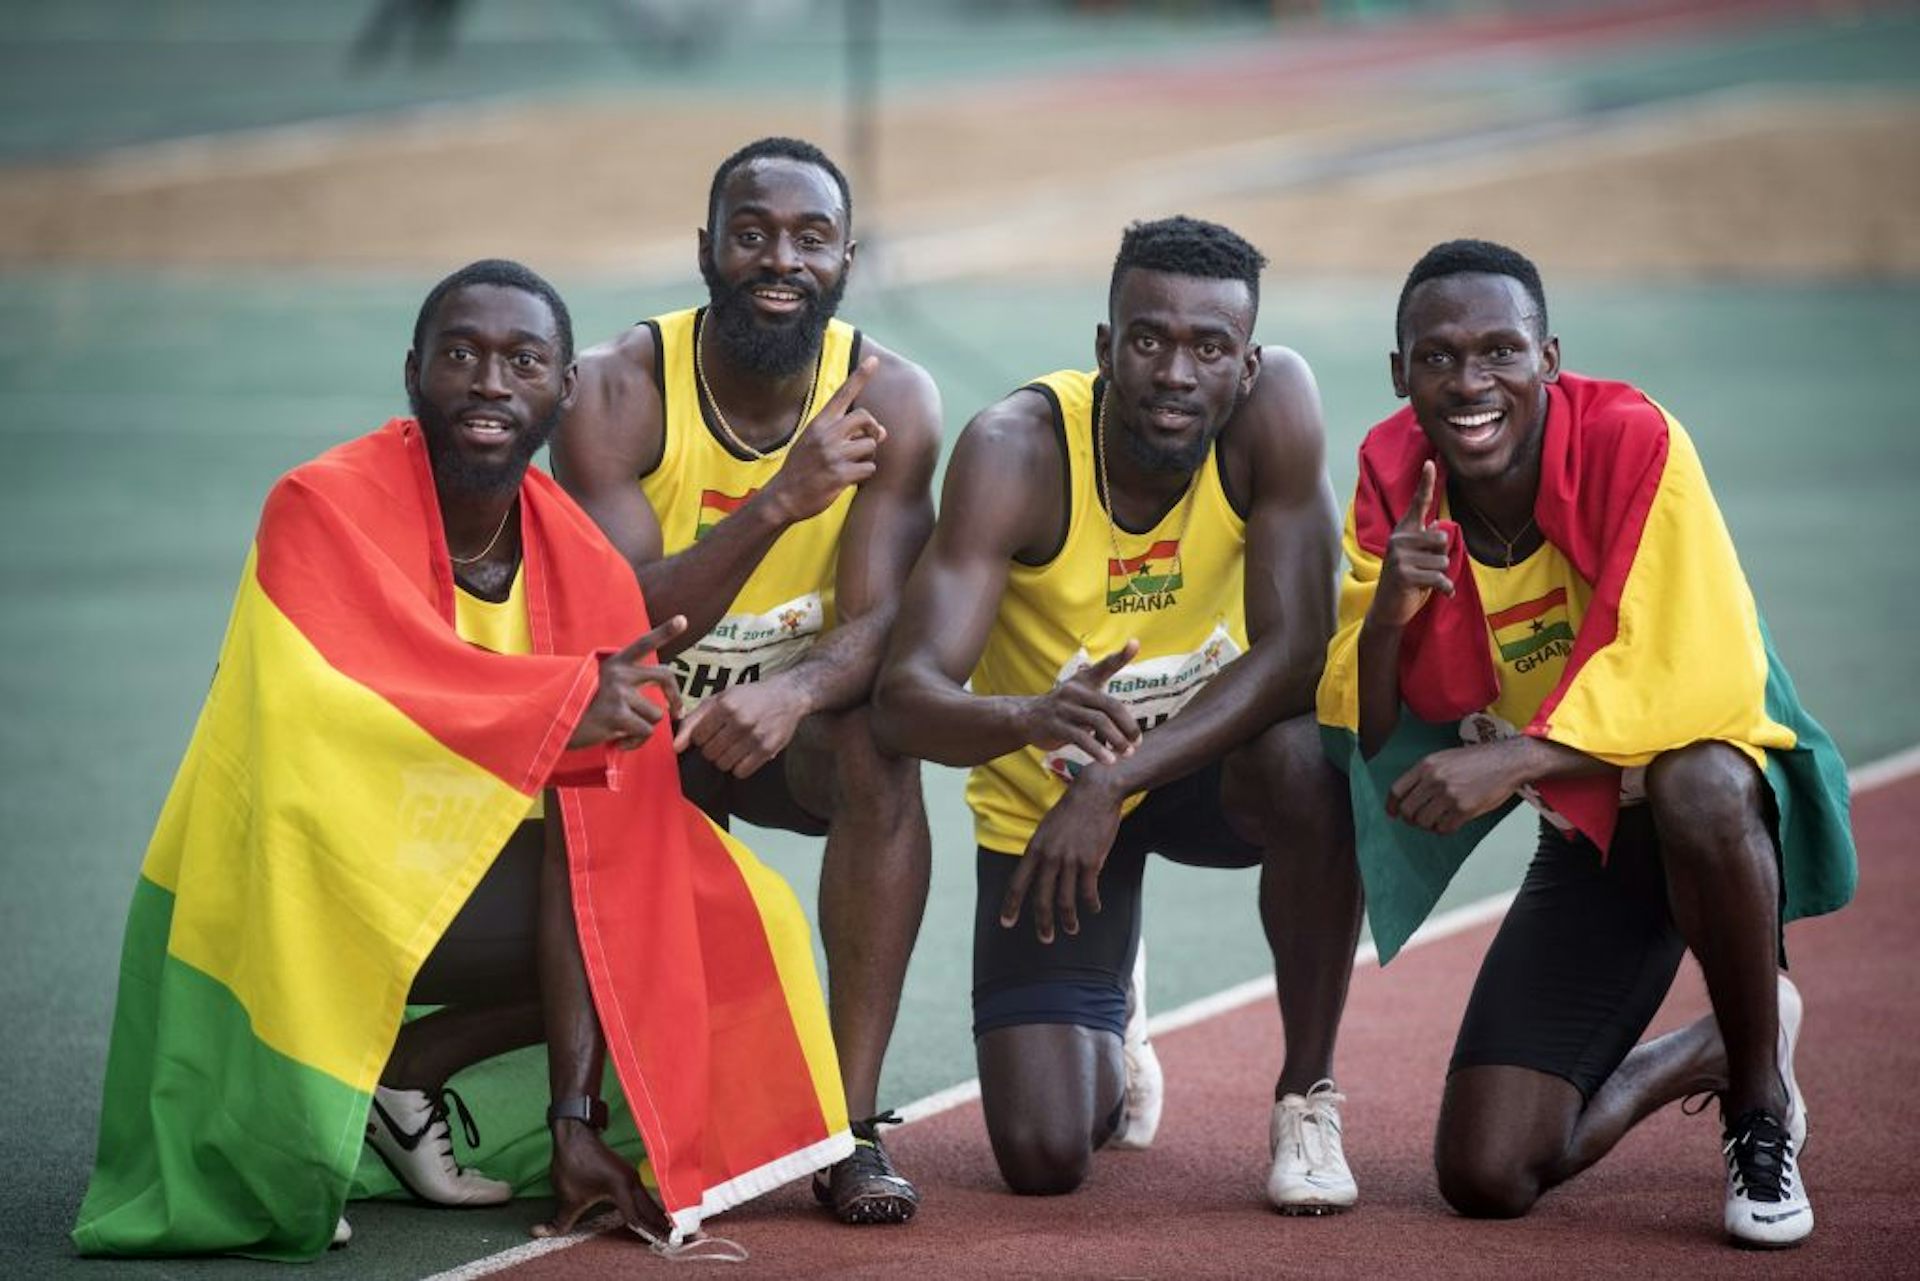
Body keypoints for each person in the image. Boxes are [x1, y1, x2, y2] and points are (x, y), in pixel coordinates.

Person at [72, 260, 851, 1260]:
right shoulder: (317, 504)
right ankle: (330, 1099)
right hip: (288, 881)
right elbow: (346, 695)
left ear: (563, 392)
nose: (490, 382)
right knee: (603, 876)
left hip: (451, 878)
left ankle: (416, 1076)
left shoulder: (581, 560)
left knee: (710, 902)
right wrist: (564, 703)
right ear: (413, 372)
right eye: (462, 355)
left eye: (523, 360)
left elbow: (606, 828)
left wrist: (575, 1122)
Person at [1316, 239, 1856, 1248]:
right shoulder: (1394, 474)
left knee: (1697, 783)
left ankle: (1759, 1106)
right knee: (1485, 1174)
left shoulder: (1633, 437)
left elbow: (1701, 681)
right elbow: (1372, 729)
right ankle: (1709, 1049)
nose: (1469, 382)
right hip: (1594, 832)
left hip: (1719, 808)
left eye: (1498, 352)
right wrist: (1387, 611)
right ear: (1400, 374)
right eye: (1436, 357)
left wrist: (1517, 757)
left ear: (1549, 357)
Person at [873, 216, 1364, 1211]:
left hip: (1207, 770)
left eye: (1209, 347)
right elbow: (904, 699)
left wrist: (1120, 775)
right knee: (1045, 1157)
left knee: (1313, 762)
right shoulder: (1015, 452)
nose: (1175, 371)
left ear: (1247, 363)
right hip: (1048, 807)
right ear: (1105, 348)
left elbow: (1298, 649)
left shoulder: (1277, 414)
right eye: (1148, 339)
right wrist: (1029, 719)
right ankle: (1116, 1010)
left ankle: (1306, 1094)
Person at [555, 137, 940, 1225]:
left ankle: (849, 1130)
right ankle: (573, 1114)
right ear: (706, 251)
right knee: (604, 747)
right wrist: (778, 498)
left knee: (881, 747)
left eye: (810, 239)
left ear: (847, 260)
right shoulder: (615, 391)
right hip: (640, 734)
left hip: (787, 734)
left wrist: (793, 695)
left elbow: (889, 620)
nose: (781, 260)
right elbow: (619, 617)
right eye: (754, 233)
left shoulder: (896, 400)